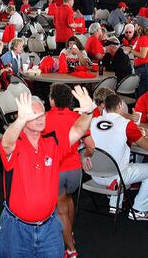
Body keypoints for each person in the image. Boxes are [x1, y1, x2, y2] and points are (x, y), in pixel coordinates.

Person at [0, 87, 94, 257]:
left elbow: (78, 131)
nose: (41, 119)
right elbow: (6, 143)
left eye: (42, 114)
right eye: (34, 116)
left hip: (49, 227)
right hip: (16, 229)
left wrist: (88, 113)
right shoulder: (16, 144)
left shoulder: (52, 143)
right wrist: (20, 120)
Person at [89, 94, 148, 220]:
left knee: (118, 157)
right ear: (120, 106)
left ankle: (114, 205)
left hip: (94, 174)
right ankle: (139, 210)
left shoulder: (93, 121)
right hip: (116, 176)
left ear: (105, 107)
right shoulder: (126, 124)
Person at [46, 84, 94, 258]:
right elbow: (90, 146)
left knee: (61, 210)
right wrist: (86, 157)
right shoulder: (77, 117)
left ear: (52, 100)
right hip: (74, 170)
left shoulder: (44, 118)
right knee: (68, 199)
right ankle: (69, 232)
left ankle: (71, 249)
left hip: (56, 170)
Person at [127, 16, 148, 97]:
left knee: (142, 94)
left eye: (136, 24)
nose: (134, 25)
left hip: (144, 68)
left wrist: (130, 50)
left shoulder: (144, 38)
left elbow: (142, 55)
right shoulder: (142, 38)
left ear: (140, 26)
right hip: (142, 68)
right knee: (140, 93)